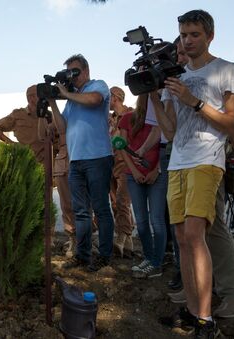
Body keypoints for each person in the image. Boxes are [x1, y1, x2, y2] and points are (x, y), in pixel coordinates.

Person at [156, 9, 234, 337]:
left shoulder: (227, 70)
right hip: (177, 162)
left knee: (195, 236)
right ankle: (194, 314)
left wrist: (193, 100)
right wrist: (155, 95)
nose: (188, 41)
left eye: (194, 34)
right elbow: (169, 132)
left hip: (207, 161)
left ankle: (207, 319)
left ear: (209, 36)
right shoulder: (174, 78)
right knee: (181, 240)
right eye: (183, 35)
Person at [0, 85, 76, 256]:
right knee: (25, 203)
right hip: (24, 168)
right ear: (28, 97)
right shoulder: (17, 115)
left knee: (46, 204)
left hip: (47, 166)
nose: (36, 99)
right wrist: (12, 145)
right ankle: (27, 238)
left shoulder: (49, 116)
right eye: (33, 96)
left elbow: (60, 138)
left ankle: (48, 239)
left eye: (38, 96)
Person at [48, 54, 114, 272]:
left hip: (98, 158)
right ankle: (83, 256)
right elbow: (62, 128)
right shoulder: (72, 98)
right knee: (81, 211)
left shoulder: (98, 85)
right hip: (76, 161)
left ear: (86, 71)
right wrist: (53, 103)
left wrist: (67, 93)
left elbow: (95, 100)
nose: (72, 77)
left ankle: (104, 257)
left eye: (75, 72)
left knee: (101, 209)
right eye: (69, 73)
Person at [118, 93, 166, 279]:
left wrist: (156, 171)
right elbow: (122, 147)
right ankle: (149, 257)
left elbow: (167, 146)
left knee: (157, 221)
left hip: (157, 176)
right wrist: (135, 172)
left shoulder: (162, 119)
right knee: (142, 222)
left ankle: (157, 263)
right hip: (134, 176)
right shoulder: (127, 118)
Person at [107, 86, 135, 258]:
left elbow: (129, 140)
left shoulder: (131, 114)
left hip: (126, 164)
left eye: (108, 97)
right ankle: (128, 242)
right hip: (111, 164)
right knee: (115, 202)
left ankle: (121, 237)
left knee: (123, 201)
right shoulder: (110, 119)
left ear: (115, 97)